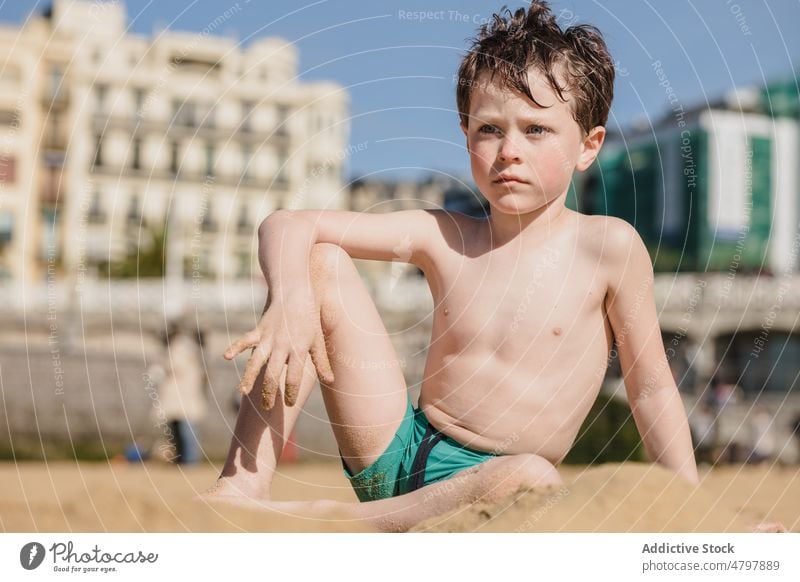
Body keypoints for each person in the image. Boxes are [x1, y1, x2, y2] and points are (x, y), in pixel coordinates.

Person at [202, 1, 699, 530]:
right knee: (320, 261)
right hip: (396, 451)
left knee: (532, 477)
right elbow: (285, 222)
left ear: (588, 146)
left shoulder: (610, 249)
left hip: (500, 483)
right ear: (466, 136)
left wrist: (691, 509)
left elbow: (651, 388)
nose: (509, 150)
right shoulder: (443, 235)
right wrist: (291, 302)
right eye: (489, 129)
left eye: (536, 130)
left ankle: (343, 523)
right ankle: (241, 486)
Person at [150, 321, 208, 465]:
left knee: (187, 430)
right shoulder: (175, 349)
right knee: (177, 431)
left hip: (184, 398)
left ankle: (189, 460)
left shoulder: (182, 349)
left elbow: (172, 367)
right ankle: (181, 460)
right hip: (175, 398)